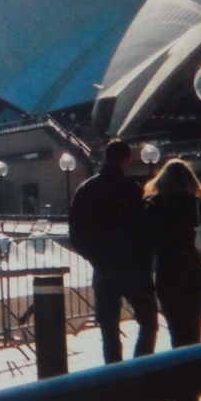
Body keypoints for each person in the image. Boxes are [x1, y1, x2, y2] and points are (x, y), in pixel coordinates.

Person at [68, 139, 157, 367]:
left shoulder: (86, 190)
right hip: (132, 269)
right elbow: (146, 231)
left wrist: (94, 257)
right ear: (126, 161)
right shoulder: (132, 190)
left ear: (105, 158)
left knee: (109, 330)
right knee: (149, 321)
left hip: (103, 270)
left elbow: (76, 235)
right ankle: (140, 368)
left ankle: (115, 375)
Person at [144, 159, 201, 401]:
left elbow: (147, 244)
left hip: (168, 275)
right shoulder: (197, 203)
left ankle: (181, 400)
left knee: (177, 339)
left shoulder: (153, 205)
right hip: (194, 274)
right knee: (193, 338)